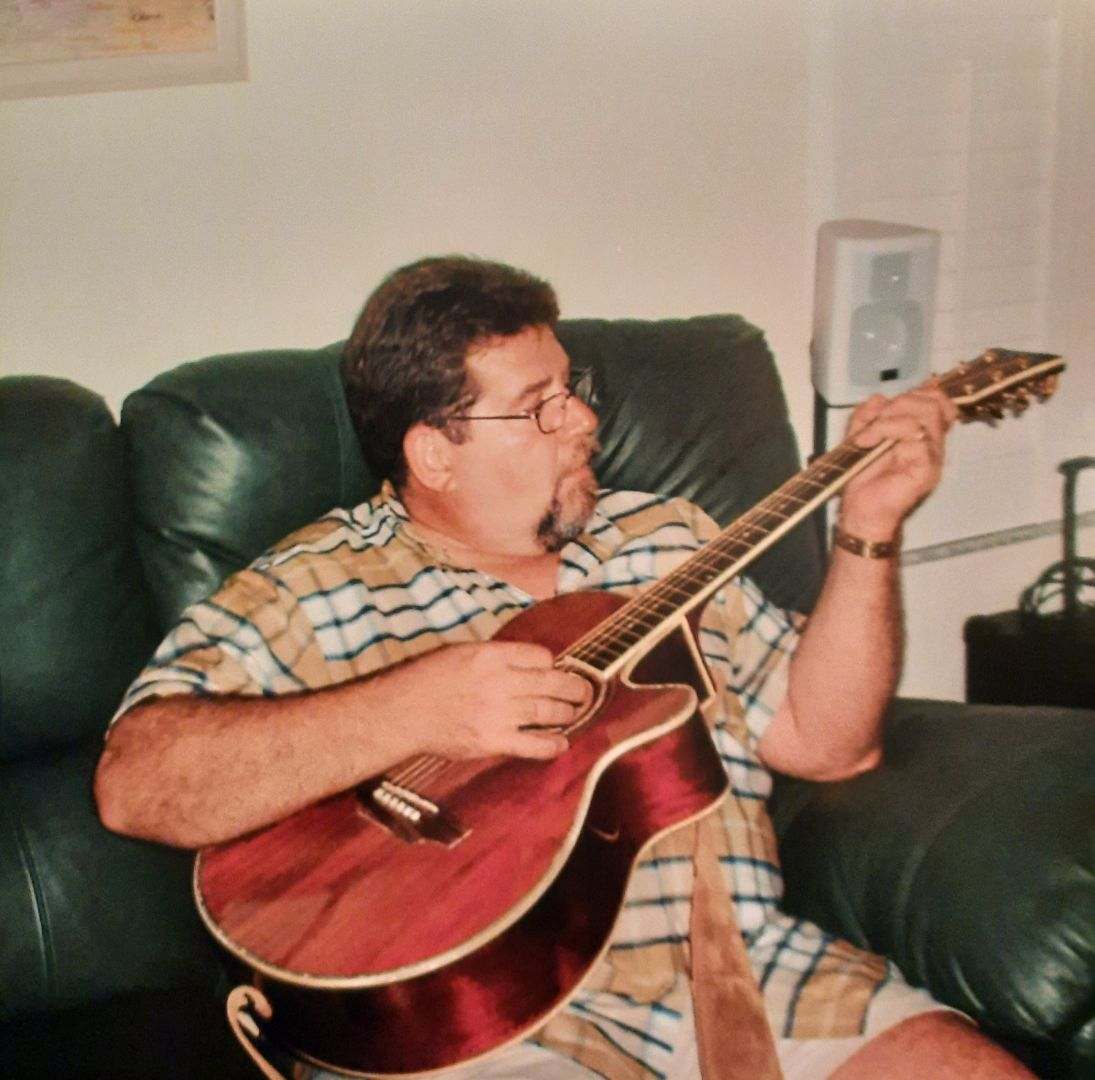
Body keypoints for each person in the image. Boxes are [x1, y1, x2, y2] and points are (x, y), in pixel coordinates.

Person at [94, 255, 1032, 1079]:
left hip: (742, 965)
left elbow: (829, 748)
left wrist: (868, 529)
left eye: (570, 385)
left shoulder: (670, 536)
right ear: (434, 452)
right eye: (539, 405)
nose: (583, 418)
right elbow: (136, 783)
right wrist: (410, 710)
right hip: (474, 1029)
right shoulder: (316, 585)